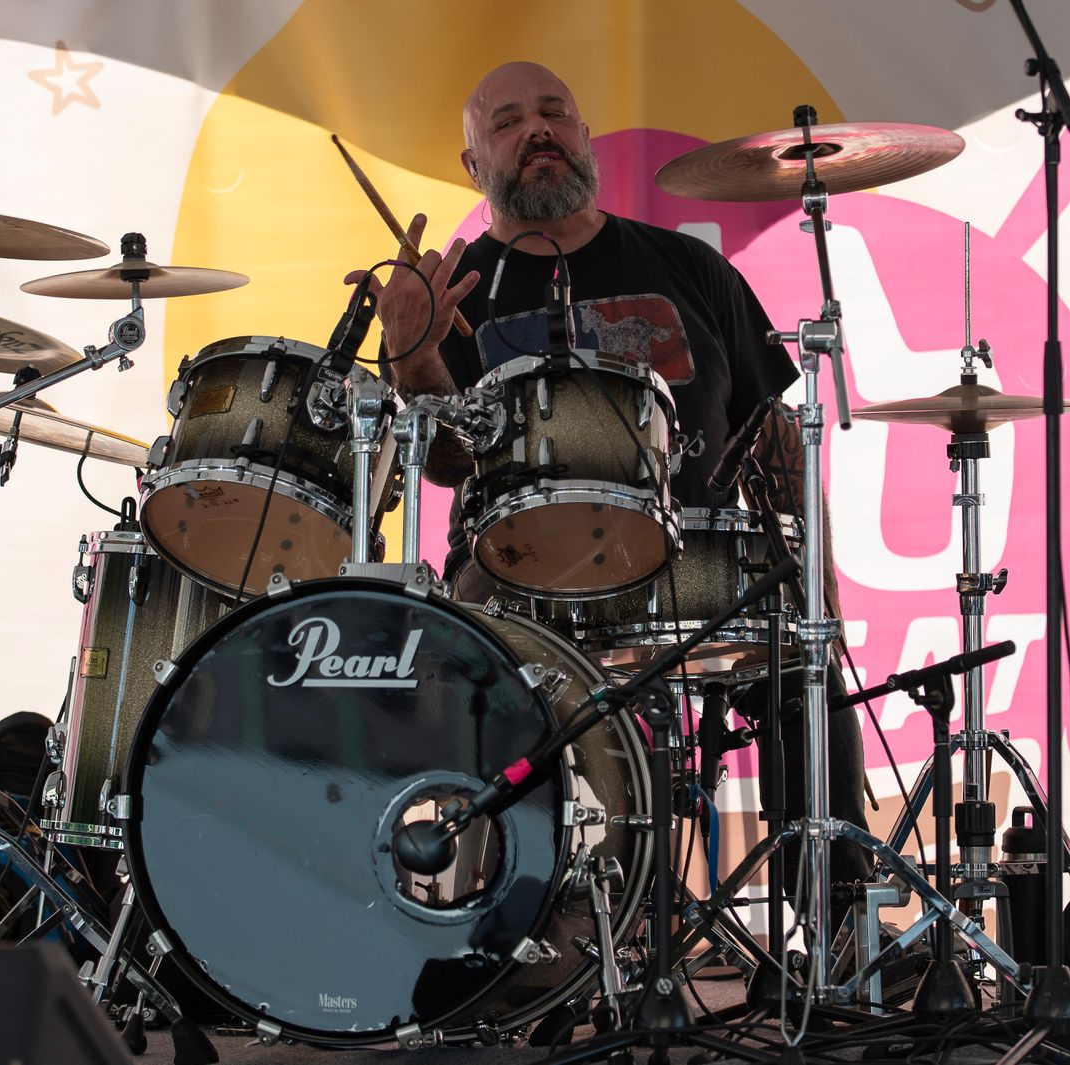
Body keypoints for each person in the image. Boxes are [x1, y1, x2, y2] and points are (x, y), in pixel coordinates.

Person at [345, 61, 870, 885]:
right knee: (490, 672)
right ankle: (535, 913)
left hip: (689, 565)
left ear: (585, 138)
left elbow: (774, 440)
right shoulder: (453, 294)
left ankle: (837, 921)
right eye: (508, 122)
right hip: (517, 580)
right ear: (473, 165)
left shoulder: (690, 268)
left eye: (553, 112)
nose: (537, 129)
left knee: (804, 667)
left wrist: (819, 601)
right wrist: (413, 355)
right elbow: (445, 461)